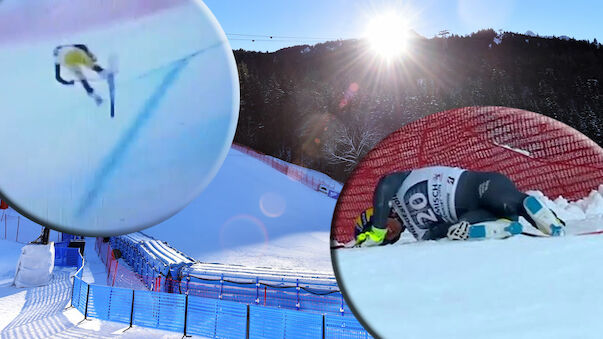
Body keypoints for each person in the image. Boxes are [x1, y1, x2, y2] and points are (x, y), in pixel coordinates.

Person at [355, 166, 566, 247]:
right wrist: (453, 229)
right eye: (387, 238)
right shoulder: (420, 233)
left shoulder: (395, 187)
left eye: (383, 225)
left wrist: (376, 232)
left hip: (479, 186)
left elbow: (383, 184)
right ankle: (502, 225)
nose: (388, 231)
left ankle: (544, 217)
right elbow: (440, 231)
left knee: (507, 201)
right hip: (474, 213)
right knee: (463, 227)